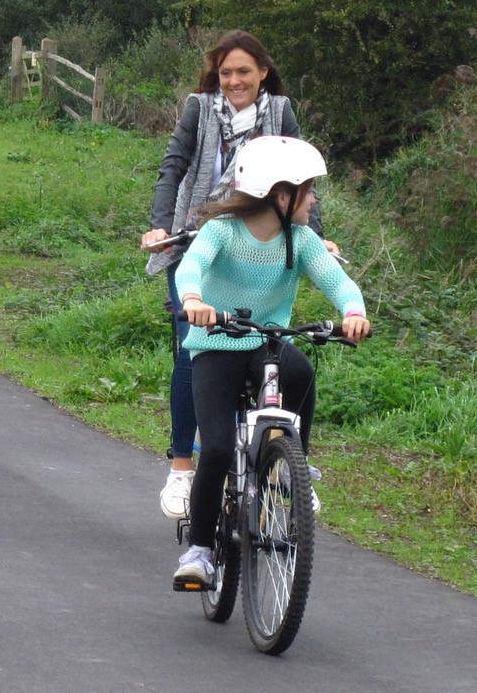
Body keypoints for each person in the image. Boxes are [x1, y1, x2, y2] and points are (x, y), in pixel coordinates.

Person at [139, 30, 337, 521]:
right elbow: (174, 164)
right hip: (200, 238)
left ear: (262, 73)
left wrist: (317, 233)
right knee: (192, 351)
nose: (234, 81)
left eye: (243, 71)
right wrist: (161, 223)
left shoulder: (279, 111)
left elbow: (299, 178)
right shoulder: (199, 108)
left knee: (273, 351)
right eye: (226, 72)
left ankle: (282, 462)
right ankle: (183, 467)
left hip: (260, 236)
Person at [170, 136, 370, 587]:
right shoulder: (222, 232)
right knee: (218, 448)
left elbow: (339, 282)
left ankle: (293, 463)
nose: (314, 199)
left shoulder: (300, 240)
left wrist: (353, 313)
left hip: (266, 341)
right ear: (282, 196)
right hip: (217, 342)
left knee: (299, 370)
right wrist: (194, 299)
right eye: (309, 190)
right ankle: (200, 551)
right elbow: (191, 266)